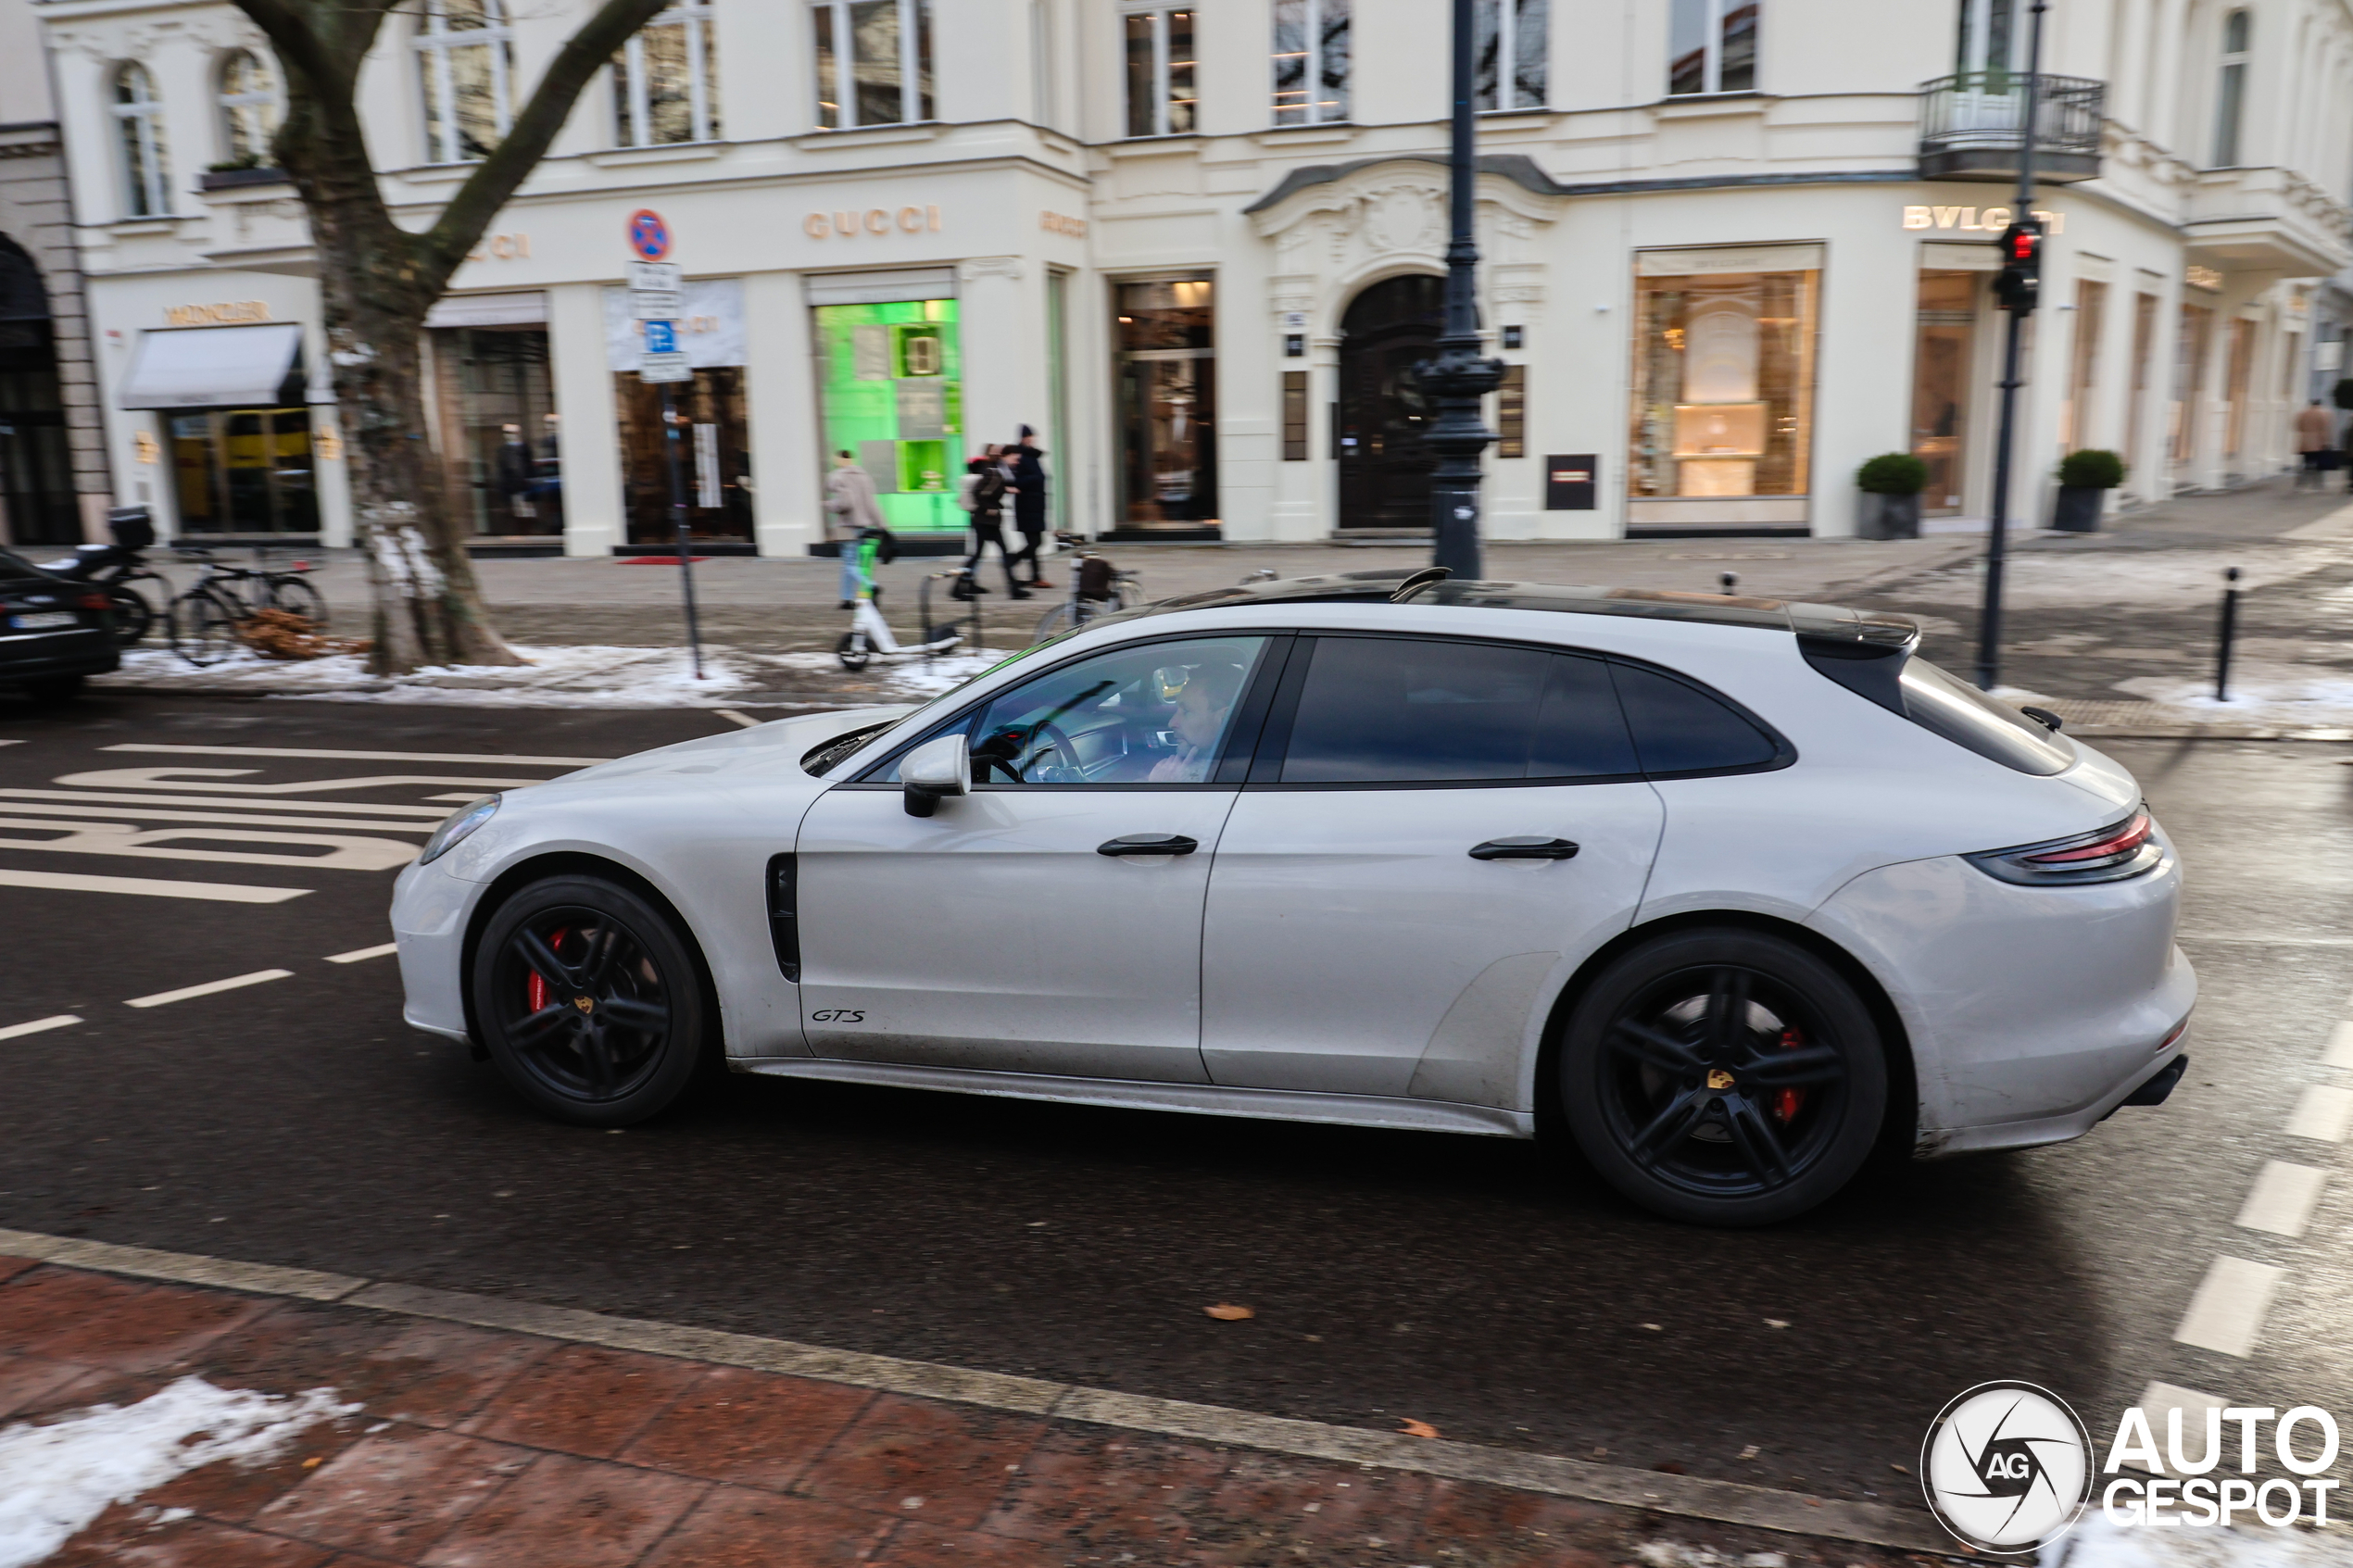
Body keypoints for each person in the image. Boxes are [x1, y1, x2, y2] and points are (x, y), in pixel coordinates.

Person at [955, 446, 1026, 600]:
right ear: (1006, 457)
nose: (1017, 461)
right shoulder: (994, 472)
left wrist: (1006, 490)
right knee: (983, 555)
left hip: (988, 521)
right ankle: (958, 588)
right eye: (1015, 458)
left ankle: (1014, 588)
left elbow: (991, 490)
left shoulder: (998, 472)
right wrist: (990, 508)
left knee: (994, 554)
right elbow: (979, 493)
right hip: (985, 521)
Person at [824, 450, 885, 608]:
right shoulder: (864, 476)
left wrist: (829, 505)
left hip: (846, 525)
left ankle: (871, 586)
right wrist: (882, 525)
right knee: (853, 564)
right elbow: (872, 503)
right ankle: (846, 599)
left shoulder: (838, 476)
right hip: (863, 526)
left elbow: (844, 503)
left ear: (838, 459)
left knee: (850, 564)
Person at [1005, 424, 1052, 590]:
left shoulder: (1031, 456)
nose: (1033, 439)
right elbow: (1015, 480)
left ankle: (1036, 577)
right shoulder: (1020, 456)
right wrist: (1036, 479)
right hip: (1026, 504)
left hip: (1035, 504)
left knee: (1035, 543)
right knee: (1035, 542)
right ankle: (1011, 560)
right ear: (1025, 437)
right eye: (1031, 436)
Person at [2296, 400, 2338, 492]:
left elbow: (2298, 426)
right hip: (2317, 441)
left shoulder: (2303, 413)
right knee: (2319, 464)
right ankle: (2318, 484)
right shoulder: (2323, 414)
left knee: (2306, 463)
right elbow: (2324, 428)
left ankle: (2300, 484)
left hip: (2305, 441)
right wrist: (2327, 441)